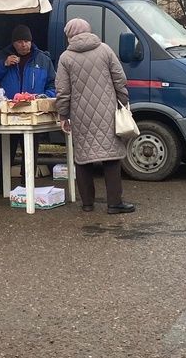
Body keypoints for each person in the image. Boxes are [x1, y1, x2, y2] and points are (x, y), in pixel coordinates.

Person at [54, 17, 134, 214]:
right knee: (111, 157)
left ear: (69, 35)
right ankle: (115, 203)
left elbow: (62, 91)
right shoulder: (105, 50)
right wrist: (123, 102)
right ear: (89, 30)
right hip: (107, 112)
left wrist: (63, 115)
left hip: (80, 115)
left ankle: (87, 204)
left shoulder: (66, 57)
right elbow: (120, 79)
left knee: (83, 158)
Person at [0, 24, 56, 195]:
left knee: (31, 149)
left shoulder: (42, 59)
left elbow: (53, 83)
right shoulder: (2, 56)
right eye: (20, 41)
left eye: (27, 41)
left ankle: (27, 183)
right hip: (9, 111)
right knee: (4, 149)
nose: (24, 45)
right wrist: (3, 64)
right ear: (14, 43)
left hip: (33, 111)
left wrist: (45, 96)